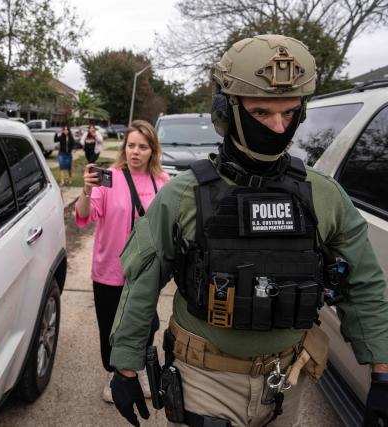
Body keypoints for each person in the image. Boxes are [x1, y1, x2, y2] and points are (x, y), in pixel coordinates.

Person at [108, 35, 388, 427]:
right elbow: (142, 282)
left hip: (287, 379)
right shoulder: (183, 195)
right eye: (261, 113)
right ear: (227, 112)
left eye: (289, 113)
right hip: (205, 379)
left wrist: (382, 369)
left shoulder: (325, 196)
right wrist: (125, 366)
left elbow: (364, 283)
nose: (277, 127)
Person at [75, 119, 169, 403]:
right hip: (109, 269)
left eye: (143, 146)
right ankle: (115, 374)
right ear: (124, 148)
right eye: (131, 145)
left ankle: (137, 369)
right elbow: (85, 216)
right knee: (110, 326)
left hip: (145, 272)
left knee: (145, 323)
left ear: (152, 151)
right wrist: (86, 190)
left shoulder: (163, 182)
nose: (135, 152)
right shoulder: (109, 178)